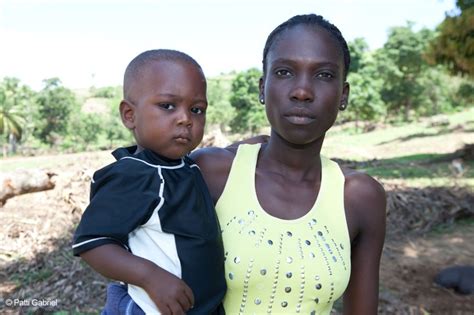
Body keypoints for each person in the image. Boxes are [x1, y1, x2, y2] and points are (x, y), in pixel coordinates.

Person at [191, 14, 386, 315]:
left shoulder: (360, 197)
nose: (302, 91)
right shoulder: (212, 174)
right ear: (261, 88)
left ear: (343, 95)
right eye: (284, 72)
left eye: (323, 75)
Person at [72, 49, 226, 315]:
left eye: (197, 109)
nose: (185, 118)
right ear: (129, 115)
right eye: (168, 106)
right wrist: (150, 277)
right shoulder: (134, 175)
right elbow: (92, 242)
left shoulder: (185, 166)